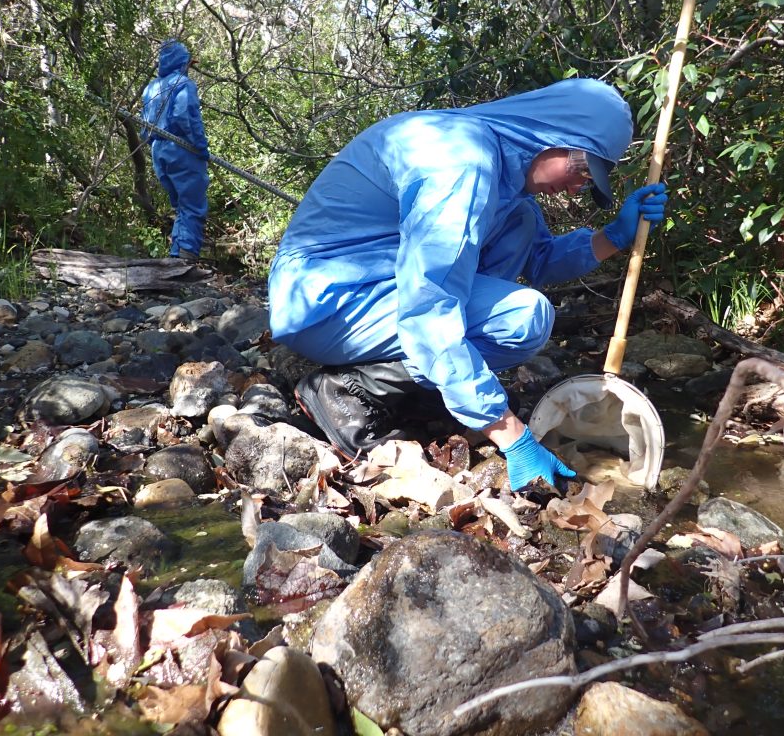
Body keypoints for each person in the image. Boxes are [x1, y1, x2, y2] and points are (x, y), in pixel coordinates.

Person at [268, 78, 667, 492]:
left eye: (589, 181)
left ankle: (432, 390)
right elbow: (430, 305)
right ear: (553, 135)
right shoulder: (461, 163)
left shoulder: (508, 183)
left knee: (521, 227)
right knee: (522, 317)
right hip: (326, 301)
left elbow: (541, 260)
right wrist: (511, 435)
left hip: (367, 292)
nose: (577, 187)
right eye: (582, 170)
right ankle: (349, 390)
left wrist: (614, 236)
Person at [141, 40, 210, 260]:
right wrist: (200, 146)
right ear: (182, 62)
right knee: (192, 204)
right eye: (188, 63)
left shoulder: (150, 88)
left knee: (180, 205)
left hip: (158, 150)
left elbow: (145, 123)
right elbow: (184, 115)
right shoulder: (183, 84)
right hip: (181, 149)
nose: (189, 67)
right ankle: (185, 255)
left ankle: (177, 252)